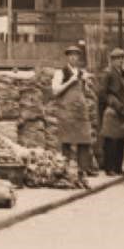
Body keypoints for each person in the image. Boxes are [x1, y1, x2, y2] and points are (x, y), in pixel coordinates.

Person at [51, 44, 93, 184]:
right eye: (71, 55)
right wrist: (71, 81)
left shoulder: (82, 73)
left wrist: (86, 83)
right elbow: (55, 91)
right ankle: (65, 172)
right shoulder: (60, 73)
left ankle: (82, 172)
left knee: (84, 141)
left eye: (76, 55)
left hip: (80, 113)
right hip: (66, 112)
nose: (74, 58)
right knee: (66, 142)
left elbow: (86, 92)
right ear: (67, 57)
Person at [98, 48, 124, 176]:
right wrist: (114, 103)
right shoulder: (108, 73)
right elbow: (102, 93)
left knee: (121, 139)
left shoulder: (122, 74)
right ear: (112, 60)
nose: (121, 61)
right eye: (118, 58)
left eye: (122, 58)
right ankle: (109, 168)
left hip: (123, 111)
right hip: (113, 110)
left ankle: (118, 167)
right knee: (111, 140)